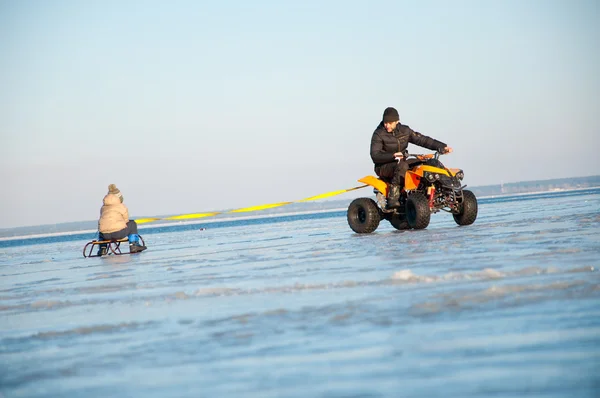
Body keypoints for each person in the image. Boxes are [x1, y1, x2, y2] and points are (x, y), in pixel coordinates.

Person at [370, 107, 453, 208]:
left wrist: (441, 146)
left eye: (390, 123)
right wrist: (393, 155)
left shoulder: (405, 131)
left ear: (397, 121)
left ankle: (444, 192)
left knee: (425, 163)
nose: (387, 125)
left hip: (402, 162)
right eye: (385, 122)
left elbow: (423, 140)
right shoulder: (378, 134)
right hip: (383, 166)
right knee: (402, 166)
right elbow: (375, 155)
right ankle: (393, 196)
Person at [97, 184, 147, 255]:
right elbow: (126, 220)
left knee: (102, 228)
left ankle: (102, 248)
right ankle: (134, 245)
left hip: (105, 235)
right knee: (132, 223)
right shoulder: (121, 206)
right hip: (117, 233)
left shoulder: (103, 207)